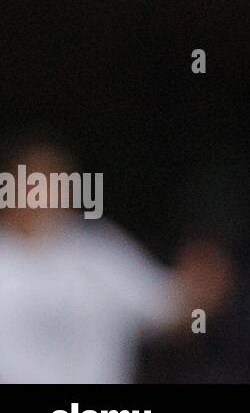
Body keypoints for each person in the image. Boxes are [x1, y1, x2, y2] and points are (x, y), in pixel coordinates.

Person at [0, 138, 231, 383]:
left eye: (55, 181)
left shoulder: (99, 254)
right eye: (33, 182)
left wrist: (202, 303)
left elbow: (175, 316)